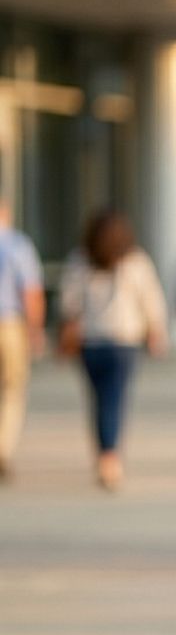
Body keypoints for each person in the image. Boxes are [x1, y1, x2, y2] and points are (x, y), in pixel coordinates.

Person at [58, 210, 168, 490]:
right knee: (114, 398)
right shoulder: (136, 261)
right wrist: (156, 331)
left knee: (98, 399)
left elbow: (68, 303)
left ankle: (104, 453)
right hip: (123, 342)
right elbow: (151, 298)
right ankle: (109, 455)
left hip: (90, 342)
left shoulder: (80, 260)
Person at [0, 200, 45, 479]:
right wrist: (35, 330)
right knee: (13, 388)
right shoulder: (17, 245)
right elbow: (30, 291)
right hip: (9, 325)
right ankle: (2, 448)